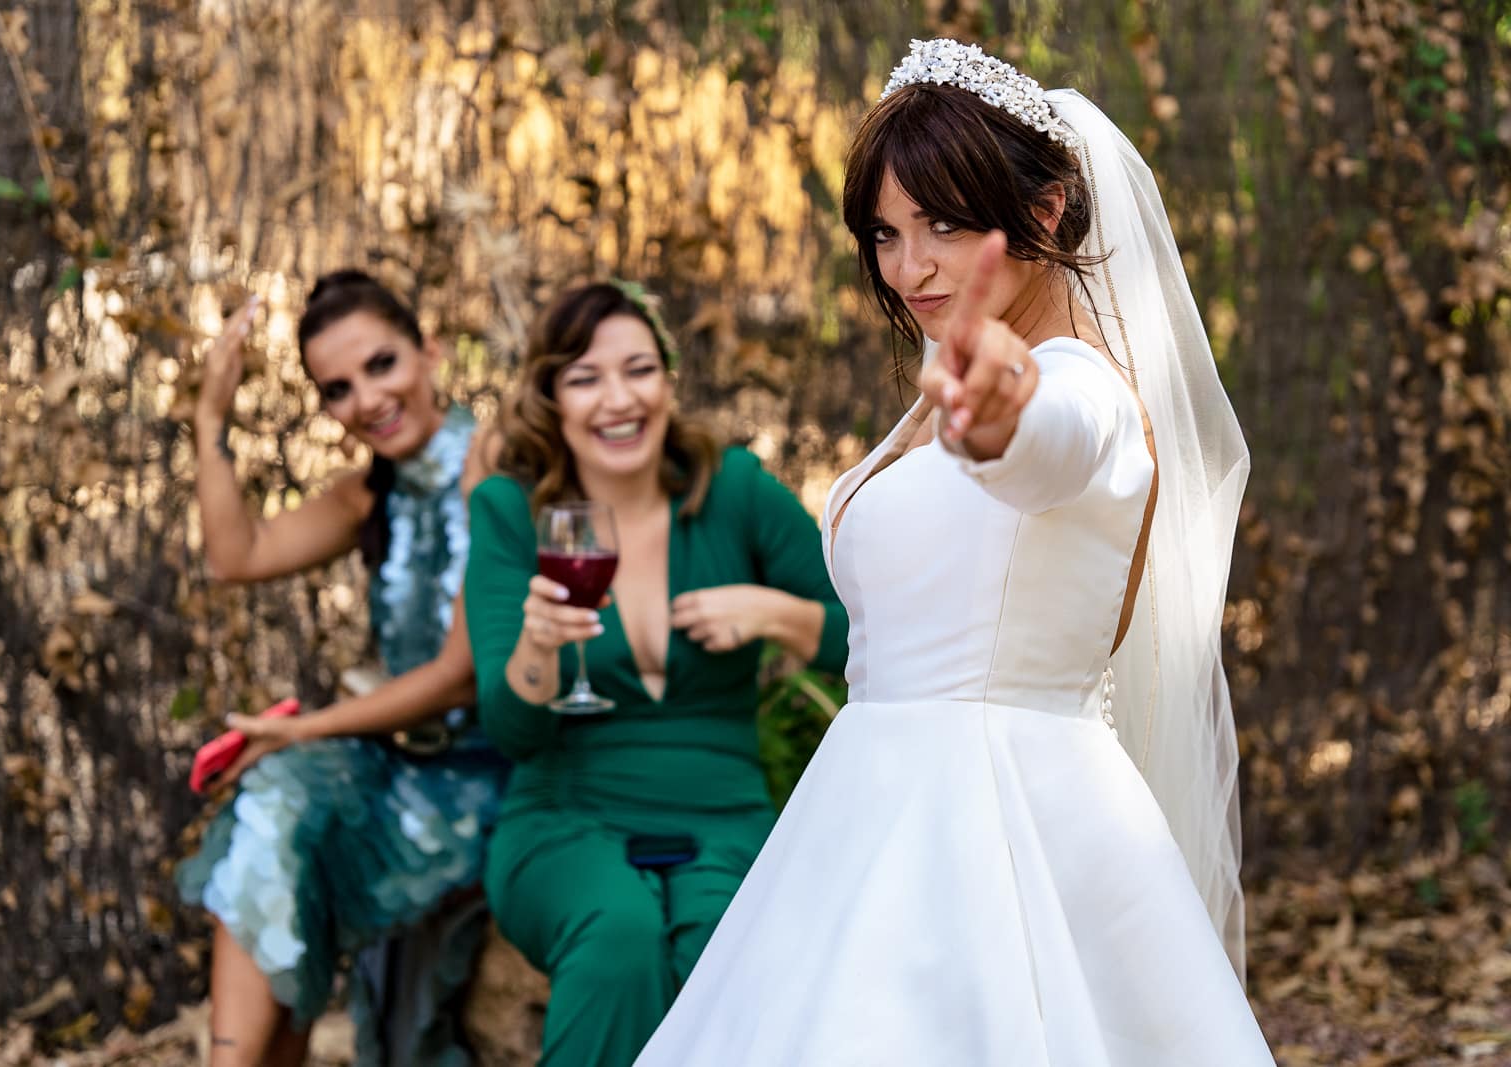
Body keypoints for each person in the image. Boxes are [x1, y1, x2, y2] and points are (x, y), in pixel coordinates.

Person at [635, 39, 1275, 1065]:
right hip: (861, 817)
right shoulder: (940, 391)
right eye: (885, 233)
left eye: (942, 224)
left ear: (1046, 210)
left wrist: (1002, 424)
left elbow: (1049, 445)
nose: (908, 265)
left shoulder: (1084, 393)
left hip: (1000, 832)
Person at [462, 280, 849, 1066]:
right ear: (552, 399)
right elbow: (512, 728)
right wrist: (538, 647)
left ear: (669, 380)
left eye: (638, 369)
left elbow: (871, 636)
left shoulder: (736, 492)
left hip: (722, 812)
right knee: (617, 939)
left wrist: (779, 614)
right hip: (568, 815)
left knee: (726, 952)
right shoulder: (511, 512)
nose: (618, 399)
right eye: (585, 377)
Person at [176, 270, 509, 1067]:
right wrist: (209, 416)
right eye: (337, 388)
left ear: (430, 351)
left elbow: (464, 674)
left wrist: (300, 733)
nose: (365, 399)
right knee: (274, 808)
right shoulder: (374, 495)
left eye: (381, 365)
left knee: (285, 792)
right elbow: (236, 553)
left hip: (489, 775)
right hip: (398, 766)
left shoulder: (497, 466)